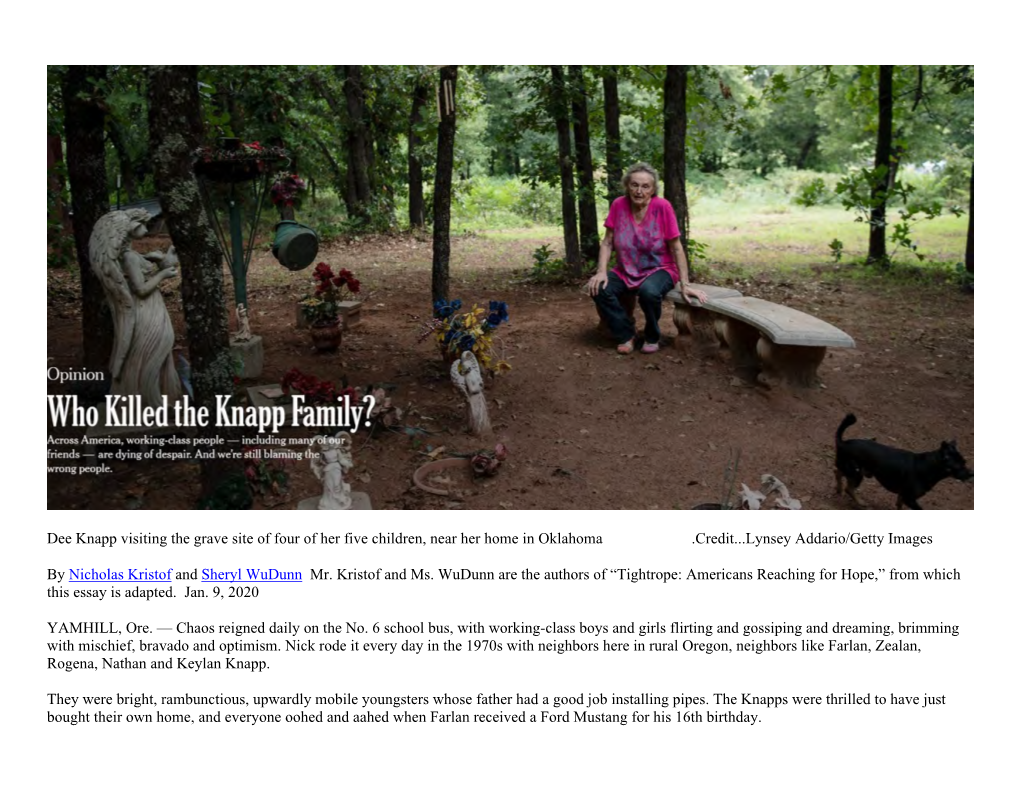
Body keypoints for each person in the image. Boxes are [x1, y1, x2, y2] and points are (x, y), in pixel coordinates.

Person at [587, 163, 708, 354]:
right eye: (634, 185)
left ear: (653, 190)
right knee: (598, 288)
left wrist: (685, 283)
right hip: (626, 270)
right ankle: (627, 334)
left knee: (648, 292)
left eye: (645, 187)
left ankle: (652, 335)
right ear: (627, 186)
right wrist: (601, 272)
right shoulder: (618, 204)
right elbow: (607, 242)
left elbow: (676, 247)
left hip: (661, 269)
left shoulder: (662, 207)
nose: (639, 191)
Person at [89, 208, 182, 408]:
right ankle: (151, 400)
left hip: (151, 307)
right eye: (144, 224)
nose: (147, 229)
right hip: (145, 308)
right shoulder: (130, 257)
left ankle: (158, 395)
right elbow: (140, 289)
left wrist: (163, 262)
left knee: (158, 350)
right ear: (131, 226)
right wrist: (163, 275)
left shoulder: (131, 254)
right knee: (155, 350)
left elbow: (144, 277)